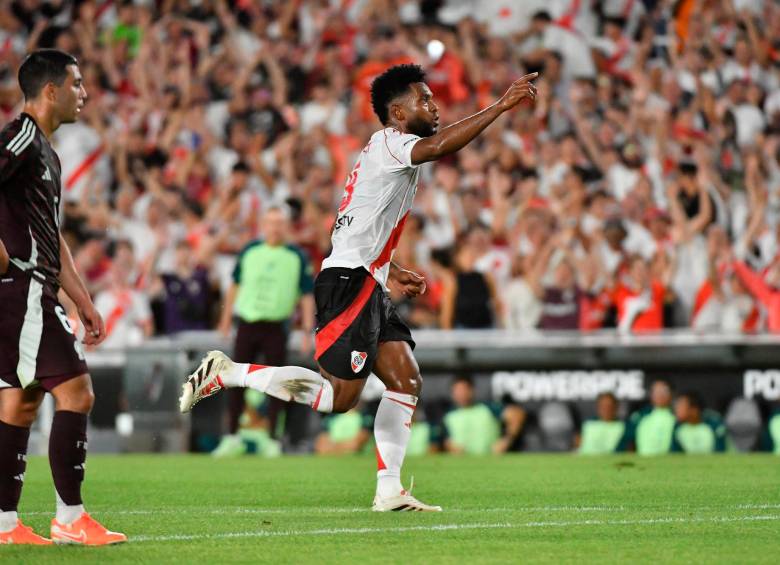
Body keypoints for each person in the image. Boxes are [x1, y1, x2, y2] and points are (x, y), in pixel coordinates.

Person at [180, 63, 538, 511]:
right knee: (338, 399)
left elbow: (355, 226)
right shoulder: (392, 143)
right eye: (423, 99)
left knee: (405, 379)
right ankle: (227, 372)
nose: (435, 105)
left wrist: (391, 267)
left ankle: (389, 490)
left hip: (366, 277)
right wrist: (501, 105)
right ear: (397, 113)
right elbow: (441, 147)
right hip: (350, 283)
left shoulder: (384, 149)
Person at [0, 50, 125, 545]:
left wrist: (82, 299)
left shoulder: (47, 152)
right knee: (77, 392)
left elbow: (52, 234)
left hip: (35, 287)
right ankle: (70, 518)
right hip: (23, 289)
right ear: (50, 90)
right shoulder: (22, 137)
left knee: (20, 403)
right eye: (76, 84)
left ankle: (5, 525)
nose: (84, 93)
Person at [214, 206, 315, 455]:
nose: (275, 227)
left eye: (280, 223)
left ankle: (273, 437)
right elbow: (235, 285)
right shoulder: (250, 251)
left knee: (277, 383)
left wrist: (306, 330)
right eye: (271, 222)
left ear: (287, 226)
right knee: (236, 379)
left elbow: (306, 294)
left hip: (277, 325)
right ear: (263, 225)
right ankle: (232, 436)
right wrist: (225, 320)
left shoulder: (297, 256)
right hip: (247, 322)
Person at [625, 380, 676, 456]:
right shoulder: (639, 416)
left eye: (664, 391)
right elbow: (629, 441)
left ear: (672, 394)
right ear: (651, 394)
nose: (660, 395)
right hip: (643, 461)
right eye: (657, 391)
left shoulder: (678, 417)